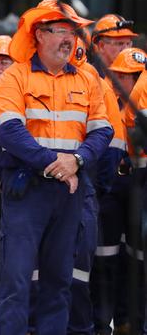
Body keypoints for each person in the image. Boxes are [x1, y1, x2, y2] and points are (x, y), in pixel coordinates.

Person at [0, 1, 112, 334]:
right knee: (16, 281)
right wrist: (54, 164)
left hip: (70, 191)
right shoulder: (15, 76)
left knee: (59, 281)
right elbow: (9, 130)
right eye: (61, 31)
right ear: (40, 35)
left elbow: (103, 130)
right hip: (27, 190)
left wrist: (76, 161)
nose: (69, 39)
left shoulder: (87, 79)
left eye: (73, 32)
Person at [93, 47, 147, 335]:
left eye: (130, 76)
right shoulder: (105, 100)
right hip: (112, 188)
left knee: (135, 260)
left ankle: (129, 321)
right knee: (105, 258)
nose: (122, 81)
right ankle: (104, 323)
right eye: (123, 75)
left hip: (135, 186)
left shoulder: (138, 100)